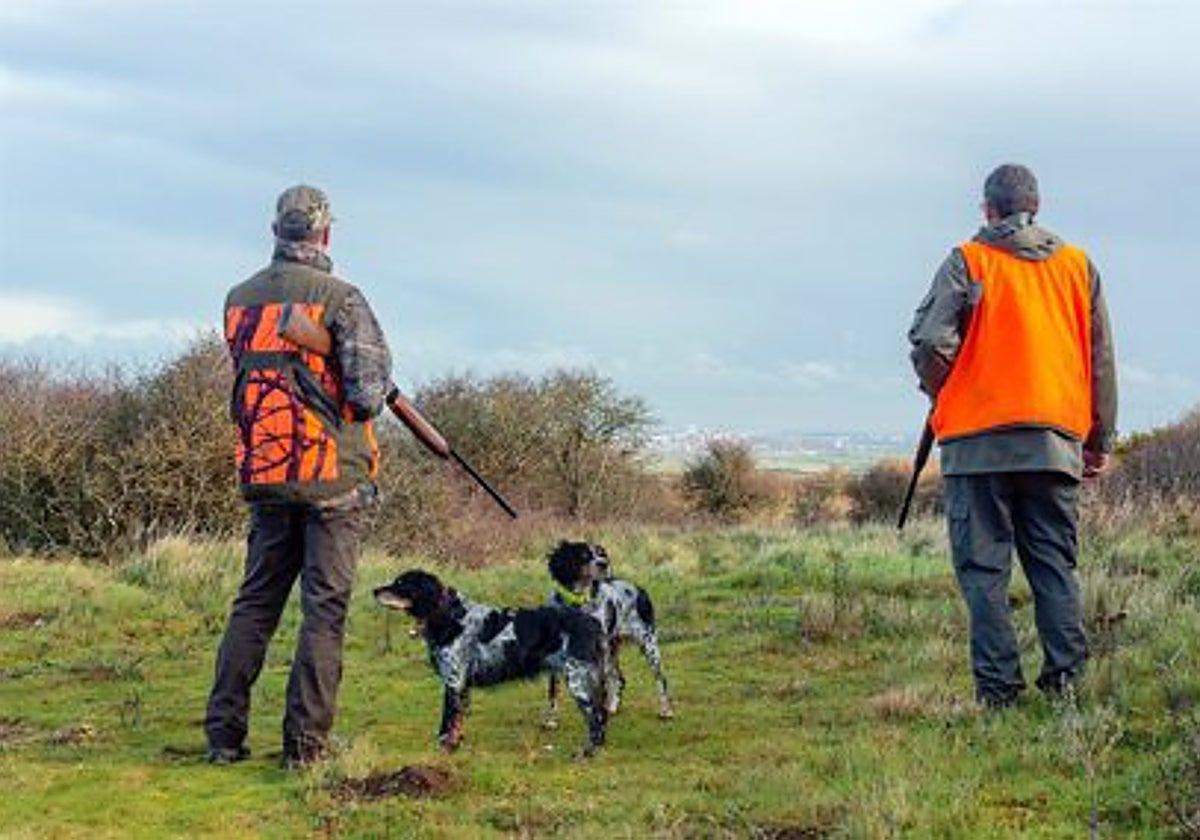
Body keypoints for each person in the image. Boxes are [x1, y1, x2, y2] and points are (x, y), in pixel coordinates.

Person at [908, 164, 1118, 708]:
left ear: (987, 209)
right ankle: (1067, 684)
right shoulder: (1078, 266)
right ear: (1038, 206)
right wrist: (1099, 440)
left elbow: (931, 341)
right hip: (1054, 442)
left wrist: (942, 390)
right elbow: (1100, 361)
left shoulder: (967, 260)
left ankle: (999, 693)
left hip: (976, 444)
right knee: (1054, 564)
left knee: (983, 572)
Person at [205, 185, 393, 765]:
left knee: (255, 605)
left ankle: (223, 738)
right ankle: (306, 748)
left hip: (263, 471)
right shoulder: (343, 299)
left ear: (275, 231)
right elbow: (364, 399)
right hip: (330, 478)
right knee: (324, 609)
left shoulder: (238, 299)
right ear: (326, 233)